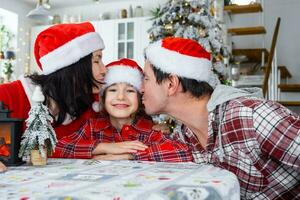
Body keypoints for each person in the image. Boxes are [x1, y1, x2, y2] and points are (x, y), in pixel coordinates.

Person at [141, 37, 300, 199]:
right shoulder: (185, 137)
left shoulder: (251, 116)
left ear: (171, 84)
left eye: (146, 79)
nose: (140, 88)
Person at [0, 22, 106, 170]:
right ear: (72, 66)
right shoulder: (9, 95)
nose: (104, 69)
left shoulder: (90, 105)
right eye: (97, 60)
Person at [53, 58, 192, 162]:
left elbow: (183, 151)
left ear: (139, 98)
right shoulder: (92, 127)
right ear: (103, 98)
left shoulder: (149, 130)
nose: (120, 97)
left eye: (130, 91)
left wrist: (129, 155)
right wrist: (105, 147)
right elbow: (54, 147)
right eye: (113, 90)